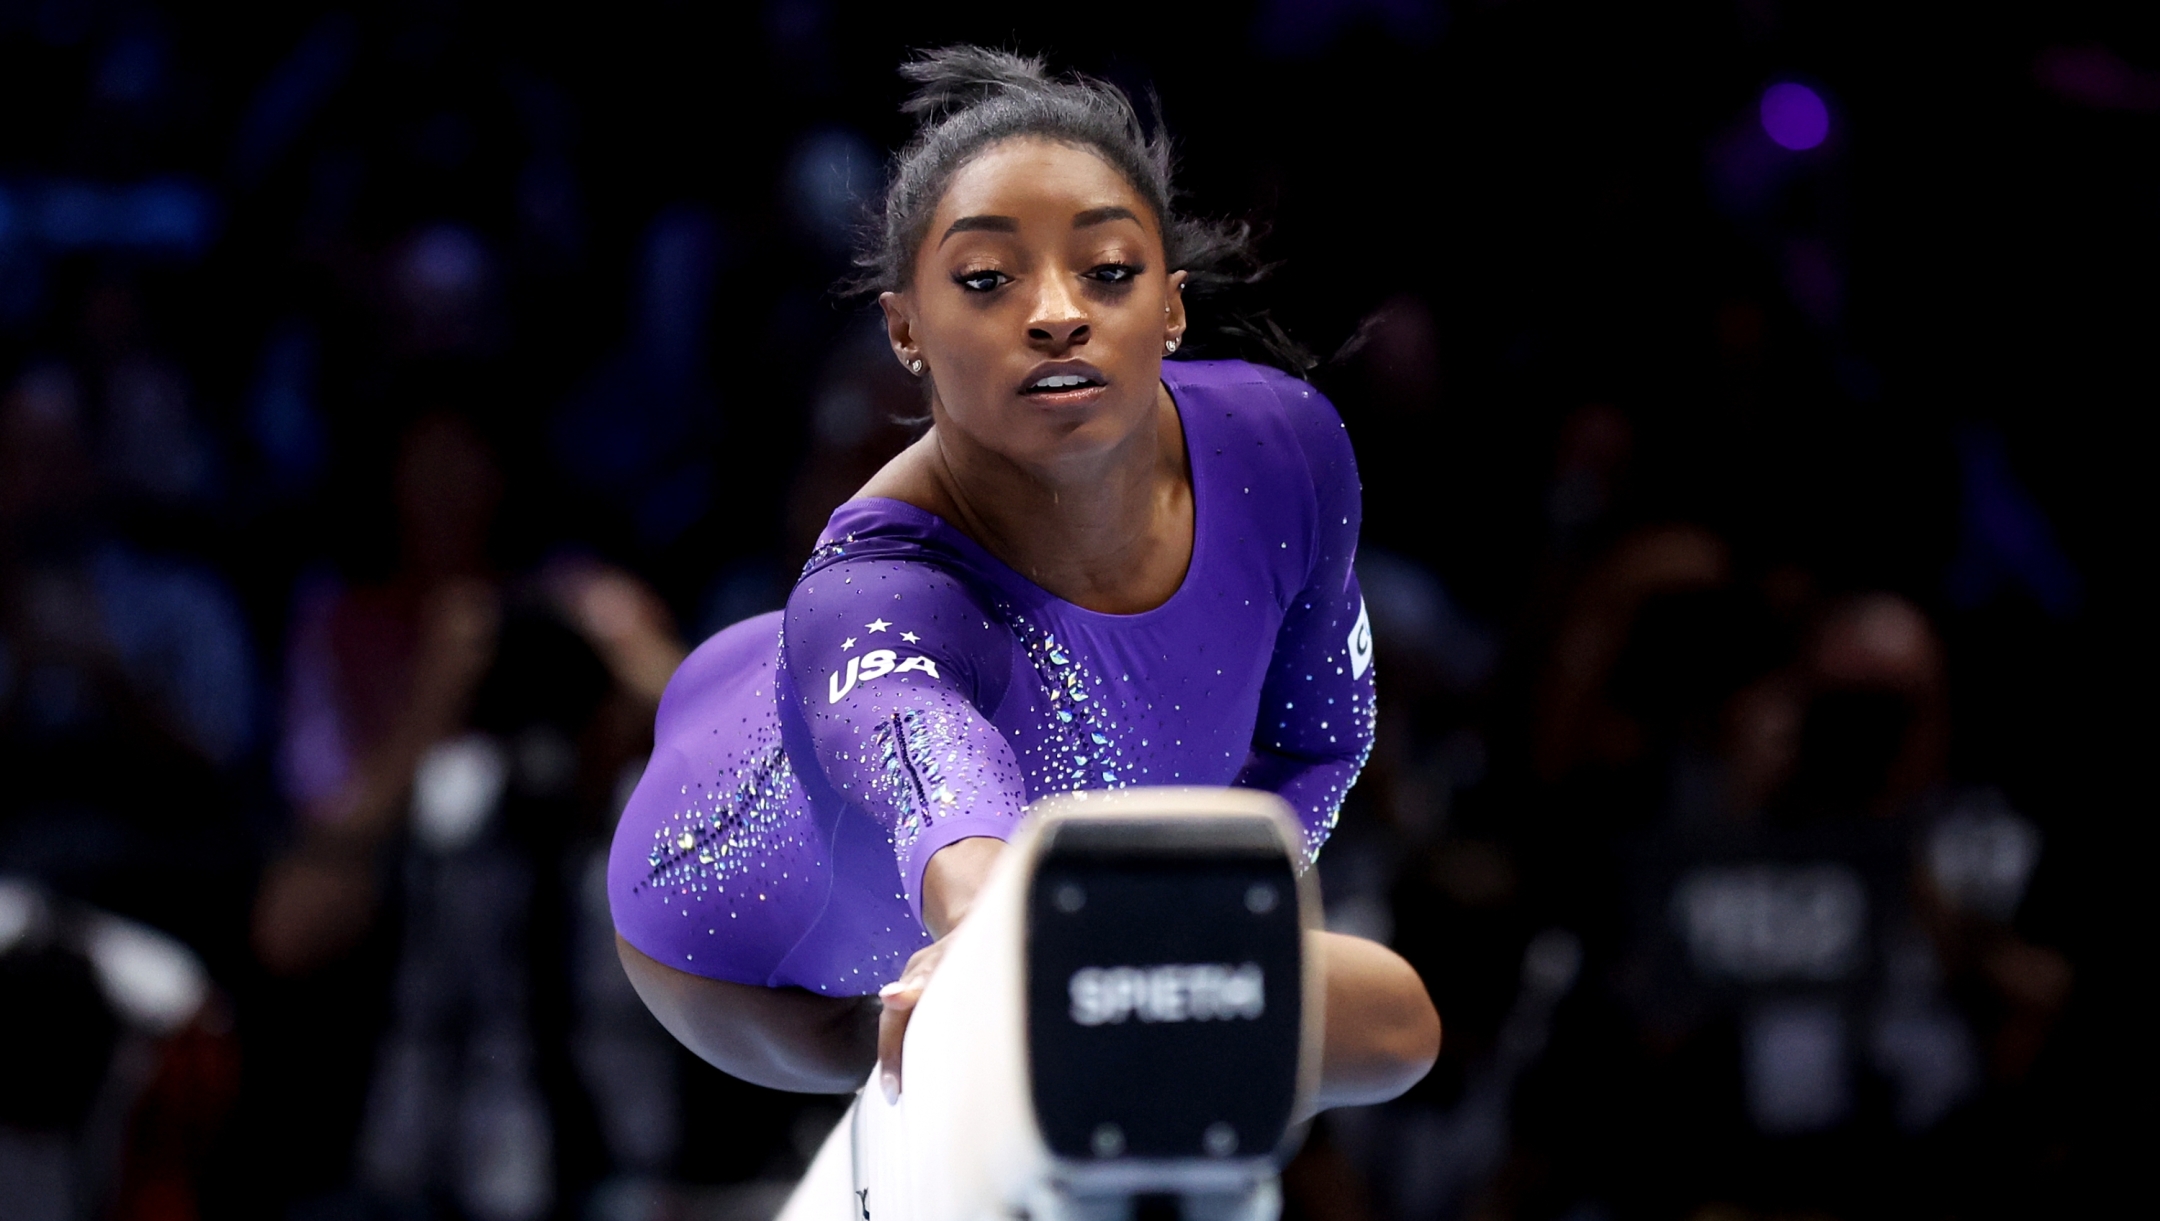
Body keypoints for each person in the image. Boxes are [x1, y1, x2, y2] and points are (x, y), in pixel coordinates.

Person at [608, 47, 1439, 1113]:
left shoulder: (1286, 447)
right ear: (904, 325)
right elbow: (949, 805)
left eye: (1107, 270)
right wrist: (998, 929)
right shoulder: (882, 594)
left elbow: (1317, 741)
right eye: (988, 280)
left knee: (1397, 1024)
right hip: (747, 947)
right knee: (1012, 1029)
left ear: (1172, 307)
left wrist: (1185, 917)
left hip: (1052, 904)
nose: (1057, 313)